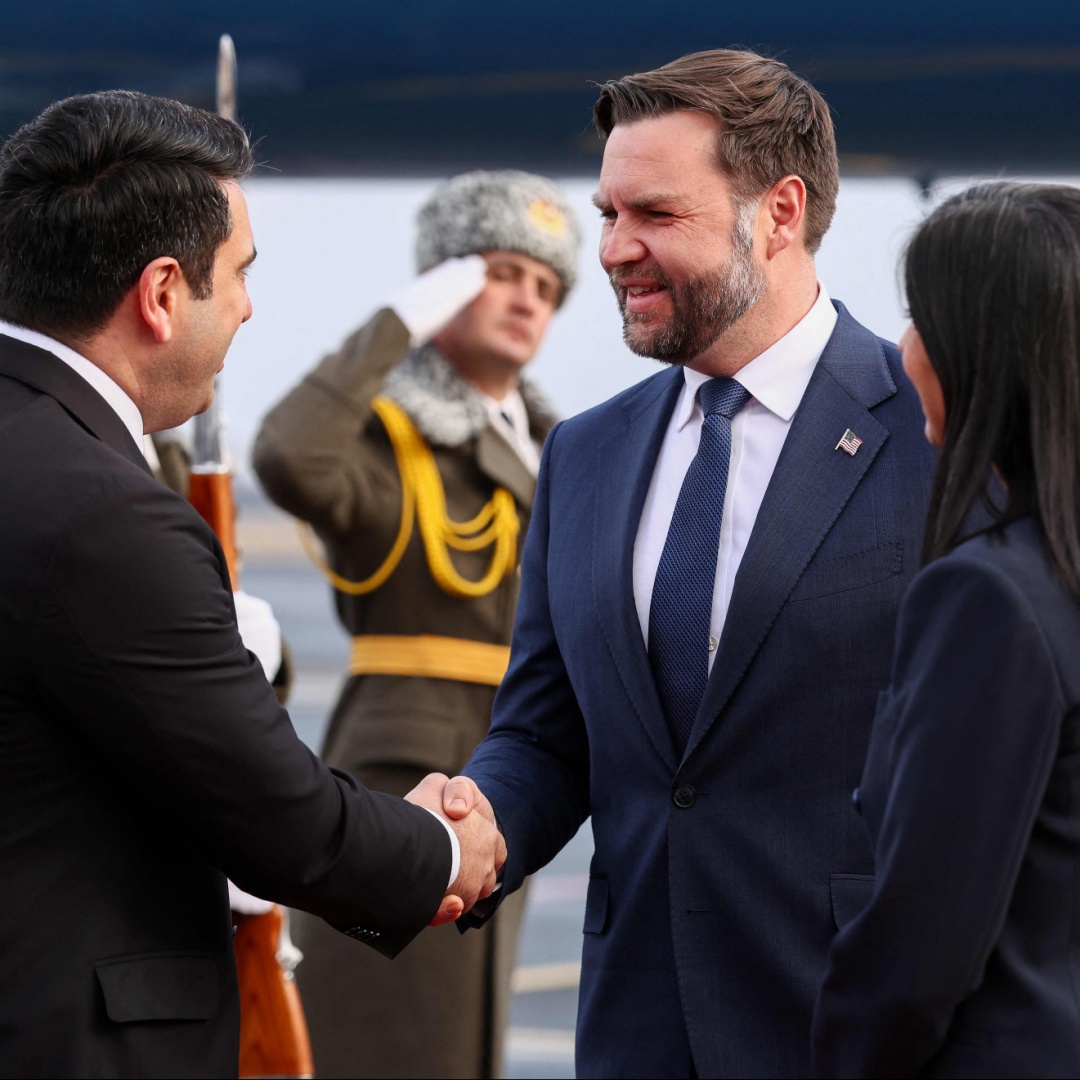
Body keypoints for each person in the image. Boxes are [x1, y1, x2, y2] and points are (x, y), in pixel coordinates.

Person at [436, 48, 938, 1078]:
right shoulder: (583, 453)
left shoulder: (936, 435)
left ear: (781, 212)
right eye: (608, 213)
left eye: (656, 215)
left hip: (858, 1025)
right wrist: (466, 826)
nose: (614, 250)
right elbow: (546, 734)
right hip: (639, 1029)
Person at [0, 90, 504, 1080]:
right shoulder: (107, 515)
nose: (247, 307)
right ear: (160, 293)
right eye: (239, 274)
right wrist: (443, 852)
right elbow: (281, 824)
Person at [252, 170, 580, 1079]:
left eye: (545, 284)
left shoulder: (557, 450)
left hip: (520, 774)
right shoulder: (391, 442)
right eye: (500, 273)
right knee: (389, 1040)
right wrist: (399, 322)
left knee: (463, 1039)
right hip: (408, 772)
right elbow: (288, 456)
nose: (526, 298)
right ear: (448, 282)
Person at [811, 182, 1080, 1078]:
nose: (905, 347)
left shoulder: (989, 597)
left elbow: (920, 948)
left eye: (922, 317)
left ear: (981, 351)